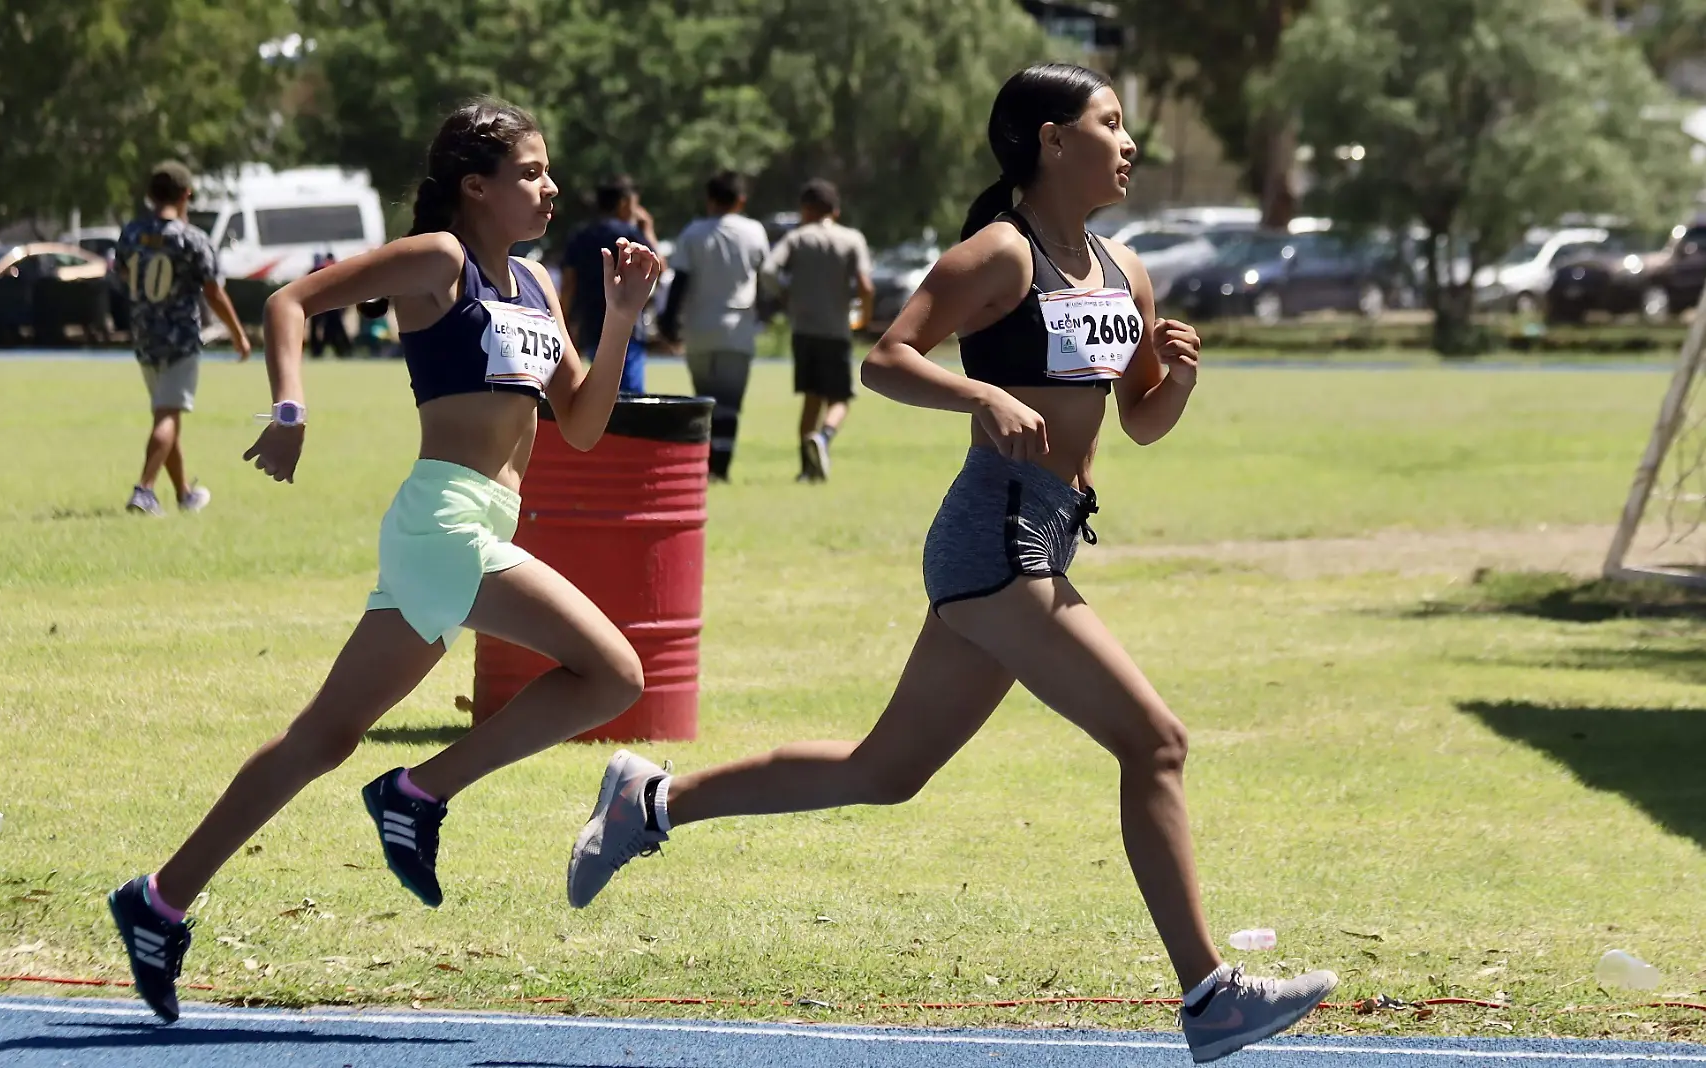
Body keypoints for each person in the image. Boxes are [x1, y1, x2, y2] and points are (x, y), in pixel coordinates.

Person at [563, 64, 1338, 1064]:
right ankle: (1209, 993)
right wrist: (979, 400)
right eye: (1110, 123)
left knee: (882, 772)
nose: (1130, 141)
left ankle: (650, 803)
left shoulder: (1124, 270)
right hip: (995, 539)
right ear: (1051, 141)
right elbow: (887, 355)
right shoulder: (998, 258)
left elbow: (1138, 423)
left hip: (1046, 531)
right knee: (1154, 742)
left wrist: (1177, 381)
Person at [107, 97, 663, 1024]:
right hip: (445, 523)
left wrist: (619, 323)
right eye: (529, 172)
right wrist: (289, 409)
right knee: (613, 674)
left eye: (548, 169)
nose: (549, 186)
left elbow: (585, 423)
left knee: (319, 740)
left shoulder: (536, 284)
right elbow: (290, 301)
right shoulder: (438, 260)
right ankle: (417, 792)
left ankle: (158, 900)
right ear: (474, 188)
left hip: (471, 529)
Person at [117, 160, 252, 516]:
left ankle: (183, 494)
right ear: (186, 194)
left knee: (166, 412)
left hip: (145, 335)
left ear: (149, 195)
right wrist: (238, 334)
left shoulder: (132, 232)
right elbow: (213, 291)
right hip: (180, 338)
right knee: (167, 414)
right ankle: (144, 490)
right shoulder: (192, 239)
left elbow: (121, 270)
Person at [658, 171, 770, 481]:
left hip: (699, 326)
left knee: (705, 399)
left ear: (709, 199)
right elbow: (765, 277)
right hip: (738, 325)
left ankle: (705, 464)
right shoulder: (754, 231)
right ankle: (722, 466)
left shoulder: (693, 233)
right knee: (730, 404)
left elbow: (680, 281)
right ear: (741, 200)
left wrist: (668, 323)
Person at [762, 178, 873, 482]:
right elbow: (865, 285)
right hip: (836, 329)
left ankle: (806, 469)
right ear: (834, 211)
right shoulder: (851, 239)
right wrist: (864, 317)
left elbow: (769, 271)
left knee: (811, 399)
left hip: (803, 330)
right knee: (840, 399)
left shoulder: (797, 238)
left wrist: (787, 296)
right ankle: (823, 438)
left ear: (806, 209)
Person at [561, 175, 655, 393]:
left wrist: (565, 319)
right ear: (624, 202)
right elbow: (658, 268)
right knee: (630, 394)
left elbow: (568, 283)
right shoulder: (631, 234)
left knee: (602, 387)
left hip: (591, 324)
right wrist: (648, 228)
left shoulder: (580, 234)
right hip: (628, 325)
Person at [307, 250, 354, 358]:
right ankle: (342, 350)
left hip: (321, 304)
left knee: (326, 328)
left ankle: (320, 351)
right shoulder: (333, 268)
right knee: (335, 327)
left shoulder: (316, 270)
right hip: (332, 304)